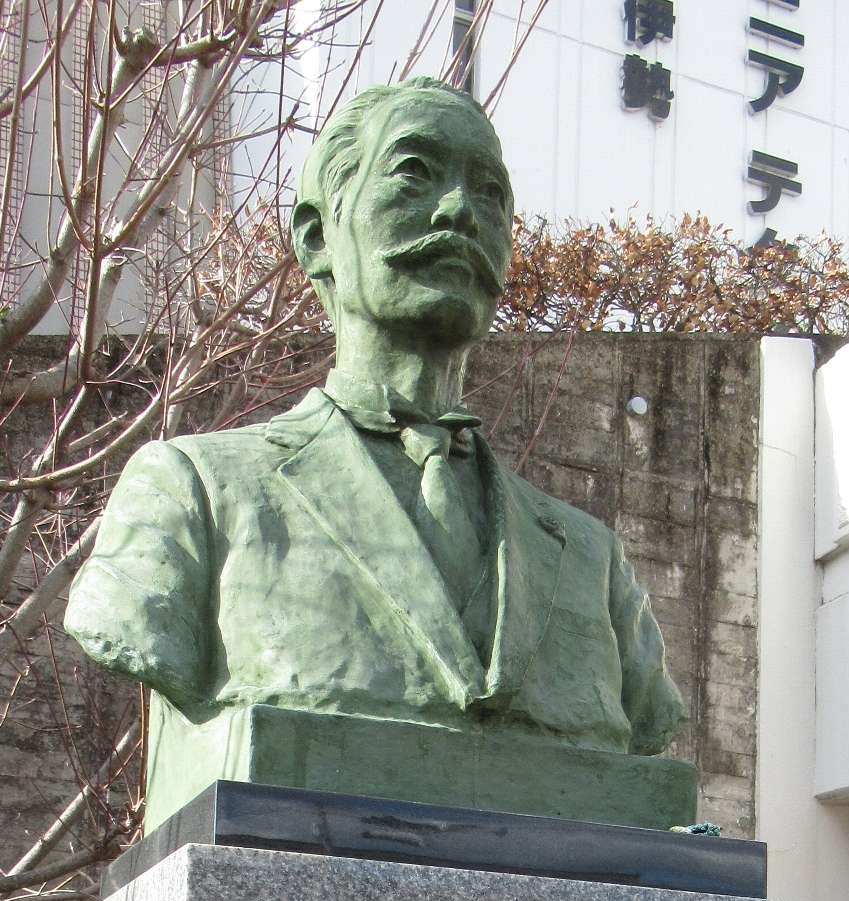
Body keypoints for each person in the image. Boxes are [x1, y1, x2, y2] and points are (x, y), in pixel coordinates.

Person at [65, 77, 684, 792]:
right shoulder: (193, 493)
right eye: (413, 172)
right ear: (318, 235)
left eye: (490, 193)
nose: (459, 212)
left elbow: (643, 733)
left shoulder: (591, 559)